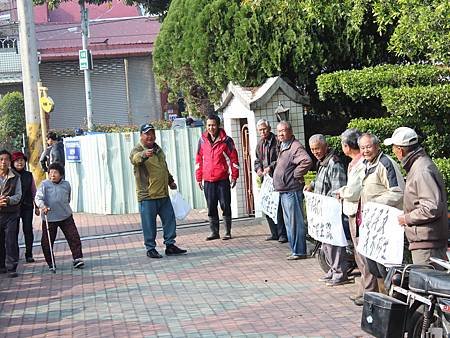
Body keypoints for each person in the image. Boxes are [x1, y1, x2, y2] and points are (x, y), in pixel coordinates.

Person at [384, 127, 448, 266]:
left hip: (427, 245)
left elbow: (431, 207)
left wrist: (406, 218)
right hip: (426, 241)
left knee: (427, 285)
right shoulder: (418, 166)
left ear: (400, 150)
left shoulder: (421, 170)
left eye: (394, 148)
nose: (394, 152)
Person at [130, 123, 187, 258]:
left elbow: (163, 168)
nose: (150, 136)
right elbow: (135, 159)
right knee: (149, 224)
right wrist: (144, 154)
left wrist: (170, 181)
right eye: (147, 133)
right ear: (141, 136)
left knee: (169, 220)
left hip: (163, 193)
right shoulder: (137, 150)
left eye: (152, 133)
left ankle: (170, 245)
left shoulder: (158, 150)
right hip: (147, 195)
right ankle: (150, 249)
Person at [337, 129, 378, 305]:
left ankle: (368, 291)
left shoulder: (361, 163)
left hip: (359, 212)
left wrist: (342, 192)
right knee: (359, 255)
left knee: (363, 255)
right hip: (353, 212)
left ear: (347, 146)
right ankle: (363, 289)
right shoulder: (355, 163)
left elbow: (354, 191)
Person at [359, 133, 404, 282]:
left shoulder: (385, 163)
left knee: (386, 268)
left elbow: (398, 193)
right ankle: (382, 300)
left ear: (377, 147)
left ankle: (393, 300)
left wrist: (375, 204)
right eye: (362, 148)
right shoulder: (366, 164)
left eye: (368, 147)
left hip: (387, 225)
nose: (365, 151)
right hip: (373, 225)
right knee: (374, 266)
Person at [305, 134, 348, 286]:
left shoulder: (334, 163)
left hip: (331, 211)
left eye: (317, 148)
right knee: (326, 242)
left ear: (325, 146)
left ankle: (340, 272)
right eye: (312, 149)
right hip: (323, 211)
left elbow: (337, 189)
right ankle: (332, 269)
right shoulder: (322, 162)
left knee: (334, 242)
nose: (315, 152)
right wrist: (311, 185)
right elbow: (320, 180)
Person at [195, 114, 239, 241]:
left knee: (225, 205)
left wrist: (234, 176)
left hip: (222, 179)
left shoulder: (227, 140)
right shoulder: (202, 141)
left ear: (218, 125)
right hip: (208, 180)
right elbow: (198, 160)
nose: (211, 127)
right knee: (211, 206)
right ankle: (214, 232)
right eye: (208, 125)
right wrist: (199, 178)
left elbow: (233, 159)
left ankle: (227, 231)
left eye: (213, 125)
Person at [272, 121, 312, 260]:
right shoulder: (283, 146)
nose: (281, 134)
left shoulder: (295, 146)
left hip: (292, 190)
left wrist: (295, 175)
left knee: (295, 223)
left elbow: (306, 161)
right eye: (278, 132)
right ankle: (295, 250)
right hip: (284, 190)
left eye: (283, 131)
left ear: (290, 131)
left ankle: (299, 251)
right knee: (289, 223)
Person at [35, 163, 84, 270]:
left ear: (61, 175)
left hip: (65, 216)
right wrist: (43, 207)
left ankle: (78, 258)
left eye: (55, 172)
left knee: (73, 237)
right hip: (50, 217)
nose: (52, 175)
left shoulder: (66, 184)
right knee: (46, 241)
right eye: (50, 172)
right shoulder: (44, 185)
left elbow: (68, 198)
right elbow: (38, 198)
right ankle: (50, 262)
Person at [254, 119, 287, 243]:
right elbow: (257, 160)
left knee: (278, 207)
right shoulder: (260, 144)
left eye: (264, 129)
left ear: (269, 128)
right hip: (265, 180)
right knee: (267, 205)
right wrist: (258, 169)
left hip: (276, 178)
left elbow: (281, 158)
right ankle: (274, 233)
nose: (262, 132)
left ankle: (282, 233)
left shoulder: (277, 141)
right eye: (260, 130)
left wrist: (270, 167)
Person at [12, 151, 37, 263]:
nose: (20, 163)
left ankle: (29, 254)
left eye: (22, 160)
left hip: (27, 206)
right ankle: (15, 255)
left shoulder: (29, 175)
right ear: (13, 163)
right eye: (17, 161)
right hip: (13, 208)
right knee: (13, 231)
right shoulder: (10, 175)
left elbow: (33, 191)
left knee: (27, 229)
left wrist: (36, 206)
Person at [0, 150, 22, 277]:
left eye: (6, 159)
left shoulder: (15, 177)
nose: (3, 162)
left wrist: (8, 200)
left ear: (10, 162)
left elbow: (18, 195)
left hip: (11, 214)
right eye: (1, 159)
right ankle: (1, 266)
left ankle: (11, 267)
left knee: (11, 240)